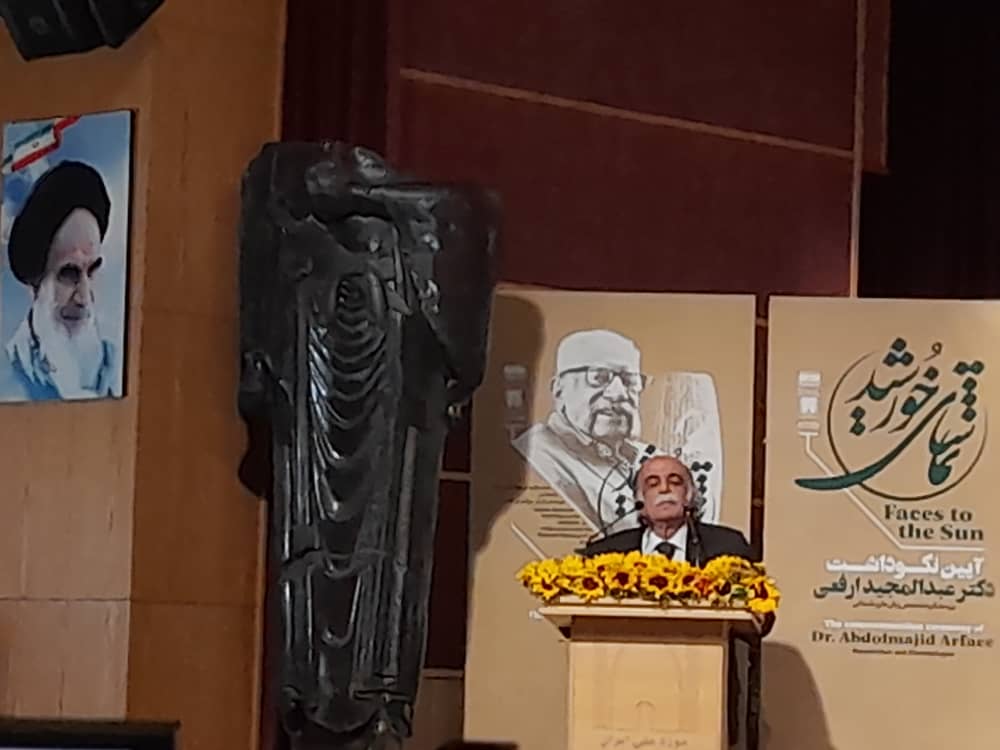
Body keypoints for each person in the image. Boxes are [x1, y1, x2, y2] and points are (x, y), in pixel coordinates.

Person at [583, 453, 773, 748]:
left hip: (705, 693)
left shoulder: (726, 546)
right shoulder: (606, 554)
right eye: (653, 483)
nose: (664, 489)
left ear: (689, 496)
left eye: (675, 481)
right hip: (623, 688)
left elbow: (763, 617)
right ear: (640, 500)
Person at [511, 329, 653, 532]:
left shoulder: (648, 457)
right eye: (599, 377)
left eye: (630, 381)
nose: (619, 393)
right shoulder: (535, 454)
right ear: (559, 388)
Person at [0, 160, 117, 401]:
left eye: (92, 271)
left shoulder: (114, 366)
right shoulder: (9, 379)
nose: (84, 298)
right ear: (35, 285)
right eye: (69, 274)